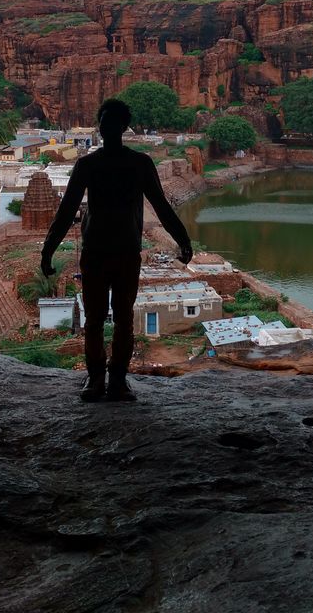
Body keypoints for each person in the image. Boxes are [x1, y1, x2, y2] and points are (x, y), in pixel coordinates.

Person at [42, 99, 193, 403]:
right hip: (106, 251)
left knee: (114, 318)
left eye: (111, 122)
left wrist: (182, 240)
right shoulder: (124, 164)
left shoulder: (108, 164)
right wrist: (47, 251)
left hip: (115, 252)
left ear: (121, 127)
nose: (108, 127)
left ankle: (112, 380)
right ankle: (103, 379)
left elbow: (161, 207)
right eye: (105, 122)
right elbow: (67, 210)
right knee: (104, 319)